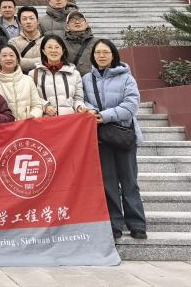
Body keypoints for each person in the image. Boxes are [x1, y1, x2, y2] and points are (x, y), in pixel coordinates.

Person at [82, 39, 148, 241]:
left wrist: (104, 116)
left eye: (106, 52)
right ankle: (114, 223)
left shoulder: (127, 78)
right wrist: (91, 111)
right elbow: (82, 101)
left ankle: (137, 223)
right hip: (101, 136)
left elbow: (131, 104)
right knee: (108, 182)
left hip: (123, 134)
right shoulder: (86, 79)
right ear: (93, 56)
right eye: (98, 52)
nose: (101, 56)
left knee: (129, 181)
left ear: (113, 55)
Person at [32, 35, 86, 117]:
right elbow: (32, 98)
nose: (53, 50)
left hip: (69, 120)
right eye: (49, 47)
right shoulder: (34, 74)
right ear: (43, 51)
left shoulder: (74, 74)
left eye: (57, 47)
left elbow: (78, 99)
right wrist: (45, 106)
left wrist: (79, 106)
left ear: (63, 51)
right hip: (46, 121)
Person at [0, 44, 45, 120]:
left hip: (25, 124)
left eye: (11, 55)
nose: (8, 58)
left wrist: (32, 115)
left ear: (17, 60)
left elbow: (37, 105)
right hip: (2, 125)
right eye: (4, 56)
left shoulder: (28, 80)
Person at [10, 6, 46, 73]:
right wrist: (42, 61)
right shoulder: (13, 42)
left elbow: (51, 60)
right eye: (24, 19)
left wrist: (23, 61)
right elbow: (15, 62)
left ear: (38, 21)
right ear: (20, 23)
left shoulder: (46, 41)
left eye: (31, 18)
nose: (28, 22)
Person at [64, 11, 98, 75]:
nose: (77, 22)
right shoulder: (61, 44)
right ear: (67, 26)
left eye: (81, 19)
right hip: (70, 79)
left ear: (86, 24)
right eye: (72, 20)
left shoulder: (97, 42)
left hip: (92, 79)